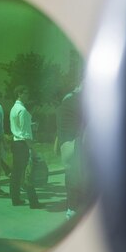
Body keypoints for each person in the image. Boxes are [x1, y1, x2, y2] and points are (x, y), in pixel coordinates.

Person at [8, 85, 41, 209]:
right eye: (26, 93)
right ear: (19, 94)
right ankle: (34, 202)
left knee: (16, 173)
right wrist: (33, 149)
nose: (28, 95)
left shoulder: (14, 108)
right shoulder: (22, 110)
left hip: (16, 143)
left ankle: (15, 198)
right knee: (28, 173)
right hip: (23, 144)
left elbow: (18, 128)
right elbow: (26, 133)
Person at [55, 85, 85, 219]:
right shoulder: (77, 101)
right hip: (76, 148)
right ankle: (73, 208)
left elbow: (61, 130)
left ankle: (71, 208)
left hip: (67, 148)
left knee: (71, 176)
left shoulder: (65, 103)